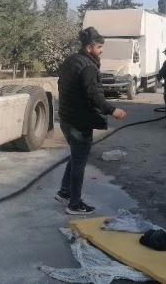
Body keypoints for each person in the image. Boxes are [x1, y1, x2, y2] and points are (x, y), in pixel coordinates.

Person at [55, 27, 127, 215]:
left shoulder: (71, 60)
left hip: (67, 118)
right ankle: (74, 204)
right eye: (99, 47)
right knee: (79, 161)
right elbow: (93, 94)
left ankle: (65, 192)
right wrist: (112, 110)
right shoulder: (88, 66)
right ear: (89, 48)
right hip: (79, 121)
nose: (101, 50)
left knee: (75, 156)